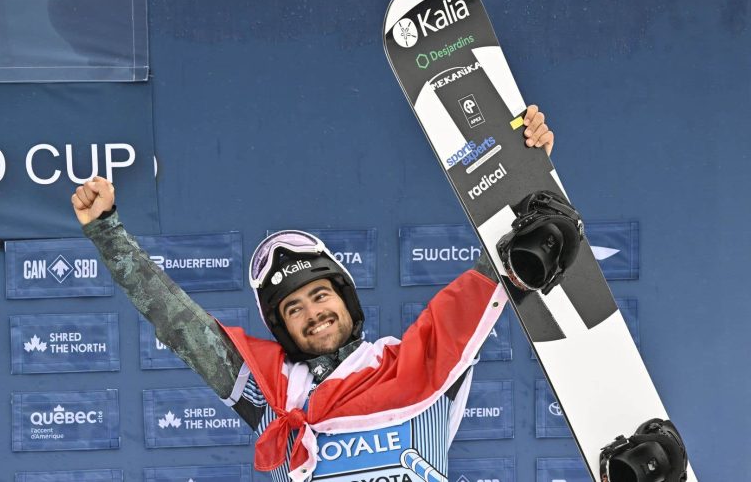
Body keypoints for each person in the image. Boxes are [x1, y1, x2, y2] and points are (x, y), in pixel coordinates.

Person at [72, 106, 554, 482]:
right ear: (283, 328)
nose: (313, 313)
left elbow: (506, 265)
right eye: (294, 308)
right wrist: (109, 234)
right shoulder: (271, 396)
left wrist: (526, 164)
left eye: (320, 295)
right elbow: (181, 325)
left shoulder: (418, 363)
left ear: (345, 298)